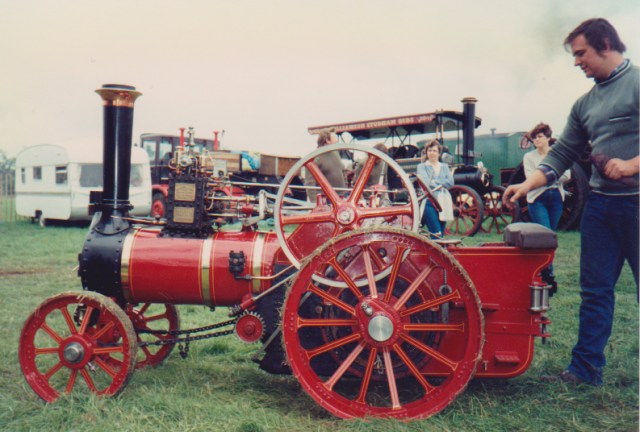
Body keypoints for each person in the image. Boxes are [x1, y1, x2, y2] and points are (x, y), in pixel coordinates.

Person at [504, 18, 639, 386]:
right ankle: (584, 371)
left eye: (581, 53)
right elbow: (563, 152)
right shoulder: (584, 104)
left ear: (606, 44)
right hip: (600, 208)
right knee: (595, 291)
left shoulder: (637, 84)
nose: (577, 61)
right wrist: (527, 184)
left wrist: (631, 163)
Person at [524, 122, 571, 231]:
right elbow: (530, 179)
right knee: (546, 232)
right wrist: (553, 175)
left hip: (556, 197)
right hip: (537, 197)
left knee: (551, 232)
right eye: (534, 138)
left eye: (540, 137)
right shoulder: (528, 157)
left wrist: (541, 178)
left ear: (548, 138)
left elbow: (567, 175)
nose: (536, 140)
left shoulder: (559, 155)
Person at [416, 139, 454, 238]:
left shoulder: (444, 167)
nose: (432, 153)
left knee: (441, 233)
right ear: (426, 152)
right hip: (429, 202)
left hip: (443, 202)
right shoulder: (421, 167)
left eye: (434, 151)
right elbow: (425, 183)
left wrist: (435, 182)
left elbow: (450, 183)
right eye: (430, 150)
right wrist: (442, 183)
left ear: (439, 153)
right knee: (436, 233)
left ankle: (438, 253)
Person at [304, 128, 346, 202]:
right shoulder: (315, 158)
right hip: (324, 199)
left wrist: (345, 189)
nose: (337, 141)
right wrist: (314, 202)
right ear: (327, 140)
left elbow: (342, 171)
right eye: (335, 139)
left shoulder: (335, 153)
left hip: (341, 196)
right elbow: (310, 183)